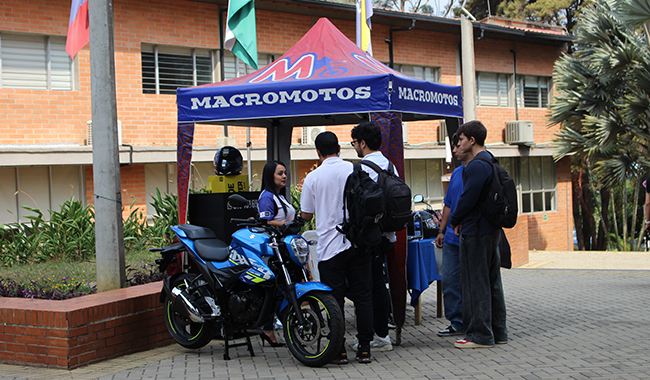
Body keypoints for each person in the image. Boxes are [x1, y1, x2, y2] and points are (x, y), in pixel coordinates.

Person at [300, 131, 374, 364]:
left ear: (318, 152)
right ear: (340, 149)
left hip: (330, 248)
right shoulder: (355, 169)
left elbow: (306, 214)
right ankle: (364, 349)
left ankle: (339, 350)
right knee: (363, 297)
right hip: (358, 243)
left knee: (334, 300)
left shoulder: (313, 177)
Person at [449, 120, 507, 349]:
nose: (457, 147)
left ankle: (479, 335)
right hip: (490, 230)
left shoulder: (475, 166)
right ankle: (498, 332)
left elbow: (467, 199)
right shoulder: (490, 161)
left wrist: (455, 220)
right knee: (492, 282)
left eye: (460, 141)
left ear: (472, 140)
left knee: (475, 284)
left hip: (476, 231)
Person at [349, 121, 394, 352]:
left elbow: (355, 207)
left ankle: (379, 337)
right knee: (380, 284)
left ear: (363, 143)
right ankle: (382, 332)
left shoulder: (362, 169)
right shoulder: (389, 165)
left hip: (369, 237)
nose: (354, 147)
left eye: (354, 143)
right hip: (387, 234)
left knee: (370, 287)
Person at [257, 160, 295, 347]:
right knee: (278, 289)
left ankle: (271, 327)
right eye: (280, 173)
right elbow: (265, 222)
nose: (284, 176)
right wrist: (287, 225)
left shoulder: (280, 196)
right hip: (274, 251)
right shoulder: (267, 197)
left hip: (287, 248)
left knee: (285, 288)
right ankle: (269, 328)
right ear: (270, 176)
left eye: (285, 173)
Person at [435, 133, 468, 338]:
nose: (454, 150)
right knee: (449, 281)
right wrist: (441, 230)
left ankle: (473, 320)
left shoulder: (478, 172)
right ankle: (457, 322)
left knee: (471, 282)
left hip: (470, 236)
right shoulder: (456, 173)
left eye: (458, 145)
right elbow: (447, 204)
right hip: (450, 237)